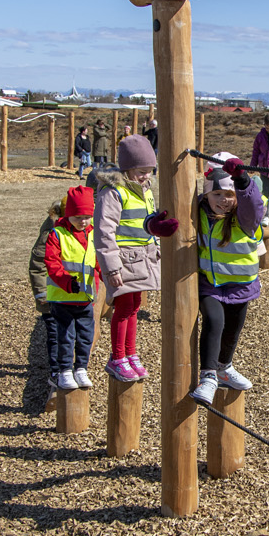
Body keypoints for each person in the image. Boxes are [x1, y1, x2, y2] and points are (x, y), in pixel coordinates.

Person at [93, 135, 176, 381]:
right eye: (141, 171)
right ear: (127, 169)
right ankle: (118, 357)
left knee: (134, 307)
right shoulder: (114, 193)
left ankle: (130, 354)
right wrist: (111, 268)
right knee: (123, 308)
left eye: (150, 171)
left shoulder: (144, 191)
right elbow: (104, 233)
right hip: (124, 261)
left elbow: (146, 222)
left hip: (142, 259)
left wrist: (157, 236)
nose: (146, 176)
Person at [186, 153, 264, 403]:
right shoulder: (198, 212)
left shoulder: (244, 218)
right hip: (211, 284)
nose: (223, 200)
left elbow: (253, 204)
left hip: (241, 286)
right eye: (217, 194)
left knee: (233, 329)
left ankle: (224, 367)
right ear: (206, 195)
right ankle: (208, 376)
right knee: (215, 321)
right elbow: (169, 215)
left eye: (229, 195)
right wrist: (153, 224)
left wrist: (242, 181)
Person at [43, 186, 98, 391]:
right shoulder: (57, 234)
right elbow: (52, 263)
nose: (82, 221)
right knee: (65, 335)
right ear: (68, 215)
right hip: (62, 297)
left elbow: (98, 259)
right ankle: (65, 370)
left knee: (86, 335)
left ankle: (81, 368)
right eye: (77, 217)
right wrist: (67, 282)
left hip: (85, 297)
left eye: (86, 216)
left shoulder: (93, 234)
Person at [26, 194, 66, 395]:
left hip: (70, 293)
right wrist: (42, 293)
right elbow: (38, 263)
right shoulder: (52, 228)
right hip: (52, 294)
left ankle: (65, 369)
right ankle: (56, 373)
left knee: (71, 333)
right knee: (55, 333)